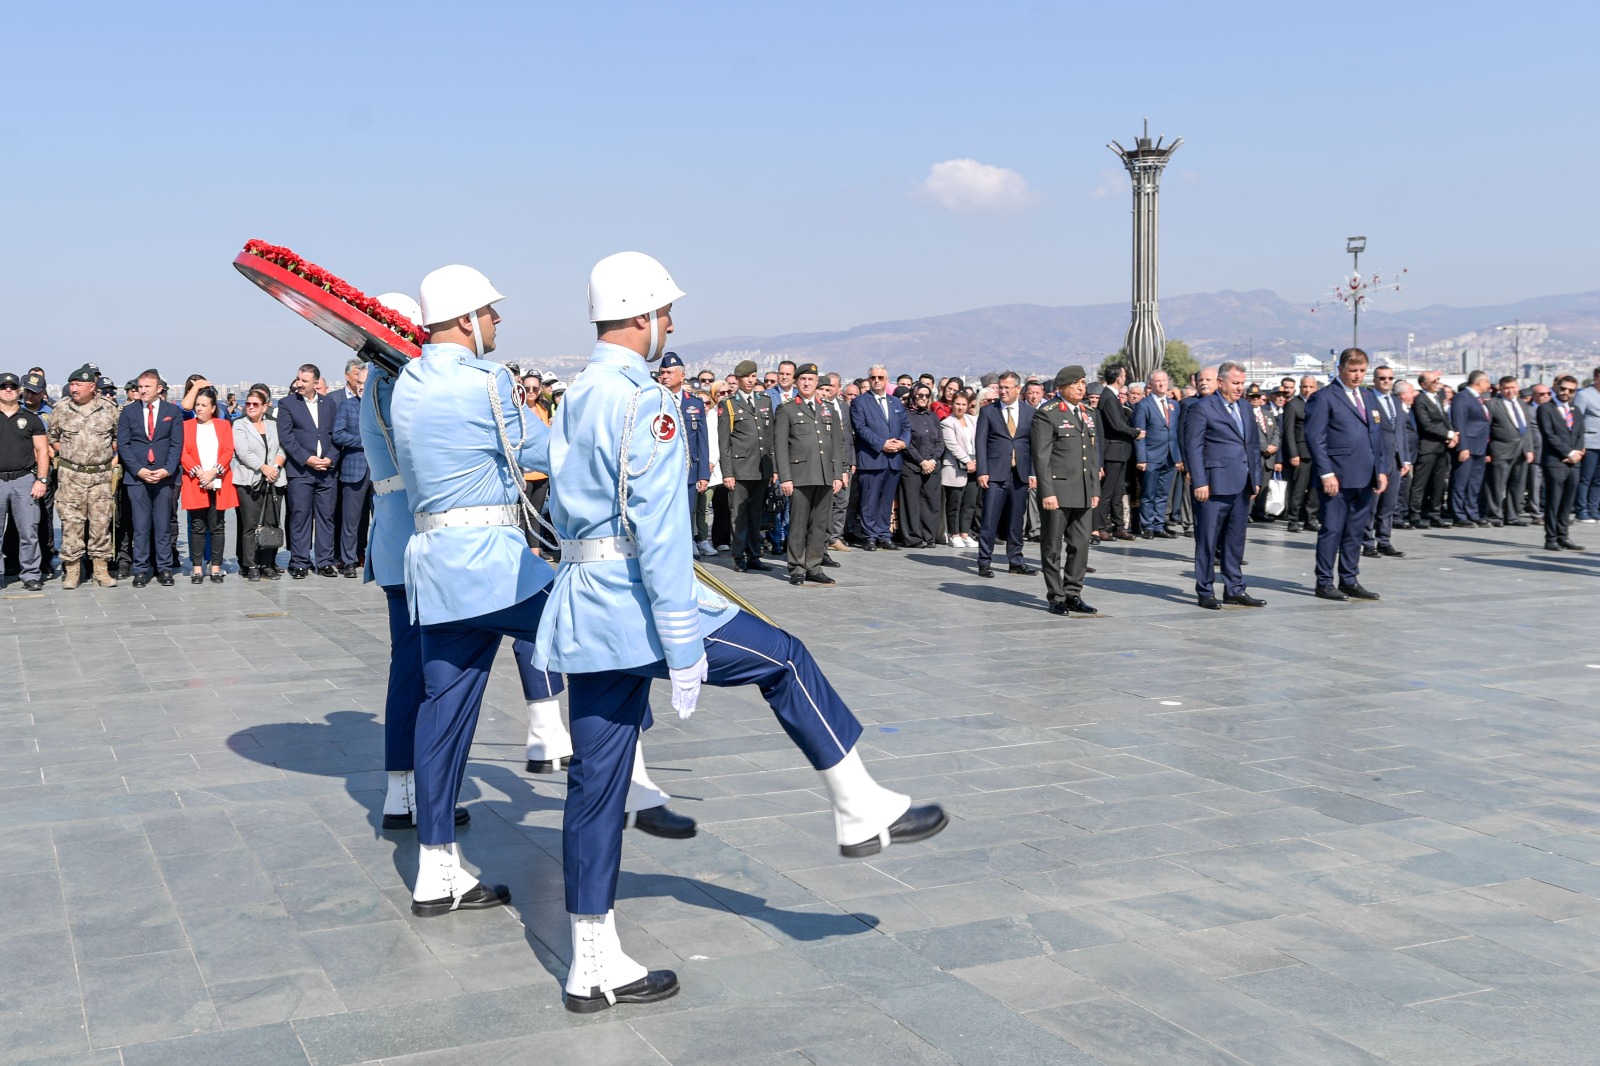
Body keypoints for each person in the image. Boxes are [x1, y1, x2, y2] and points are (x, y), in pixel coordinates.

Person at [537, 252, 945, 1013]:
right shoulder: (644, 403)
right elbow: (660, 533)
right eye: (666, 314)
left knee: (596, 786)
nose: (671, 326)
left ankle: (590, 960)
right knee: (784, 658)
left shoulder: (573, 395)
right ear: (642, 316)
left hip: (588, 601)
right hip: (640, 603)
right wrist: (684, 643)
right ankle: (858, 805)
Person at [1304, 348, 1390, 601]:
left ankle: (1349, 578)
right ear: (1341, 369)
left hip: (1365, 474)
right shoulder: (1324, 397)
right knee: (1332, 529)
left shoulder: (1368, 397)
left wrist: (1381, 470)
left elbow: (1378, 436)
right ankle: (1324, 581)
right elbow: (1315, 438)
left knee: (1355, 530)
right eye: (1353, 370)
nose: (1357, 375)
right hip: (1337, 477)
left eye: (1362, 371)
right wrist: (1326, 473)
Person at [1181, 362, 1263, 610]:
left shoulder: (1246, 408)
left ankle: (1235, 588)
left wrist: (1255, 479)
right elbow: (1193, 447)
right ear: (1221, 382)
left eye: (1242, 383)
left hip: (1242, 484)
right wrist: (1200, 480)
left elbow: (1253, 445)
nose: (1241, 388)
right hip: (1214, 485)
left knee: (1235, 540)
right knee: (1207, 539)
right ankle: (1205, 590)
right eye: (1236, 383)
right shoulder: (1203, 408)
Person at [1031, 366, 1099, 617]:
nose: (1082, 387)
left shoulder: (1087, 413)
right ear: (1061, 388)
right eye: (1076, 383)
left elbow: (1092, 456)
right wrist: (1047, 492)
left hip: (1082, 490)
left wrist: (1094, 488)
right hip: (1057, 491)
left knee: (1080, 546)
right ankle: (1056, 596)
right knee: (1052, 547)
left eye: (1083, 383)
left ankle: (1073, 593)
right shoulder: (1048, 414)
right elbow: (1041, 457)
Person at [48, 364, 120, 588]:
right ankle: (72, 570)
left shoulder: (108, 409)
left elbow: (117, 439)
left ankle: (101, 569)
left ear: (92, 386)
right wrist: (71, 453)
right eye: (71, 384)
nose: (74, 388)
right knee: (71, 524)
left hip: (100, 477)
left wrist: (106, 458)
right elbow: (52, 439)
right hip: (71, 477)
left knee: (101, 523)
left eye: (78, 384)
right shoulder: (61, 409)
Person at [774, 362, 846, 584]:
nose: (807, 383)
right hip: (800, 475)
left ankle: (814, 566)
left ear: (817, 383)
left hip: (824, 474)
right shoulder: (787, 409)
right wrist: (785, 477)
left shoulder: (827, 408)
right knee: (798, 524)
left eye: (811, 380)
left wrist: (838, 473)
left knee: (819, 524)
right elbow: (780, 446)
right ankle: (796, 568)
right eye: (803, 379)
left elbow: (836, 444)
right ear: (796, 382)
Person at [116, 369, 183, 587]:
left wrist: (167, 469)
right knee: (140, 525)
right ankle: (141, 569)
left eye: (147, 387)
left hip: (164, 476)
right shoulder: (128, 411)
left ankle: (164, 568)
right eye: (140, 386)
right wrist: (137, 470)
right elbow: (123, 445)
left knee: (163, 524)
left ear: (159, 388)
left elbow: (176, 444)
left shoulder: (172, 411)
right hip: (137, 478)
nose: (142, 390)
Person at [278, 364, 342, 577]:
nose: (299, 384)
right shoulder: (287, 404)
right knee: (300, 516)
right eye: (298, 379)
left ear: (316, 383)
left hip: (327, 471)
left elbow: (337, 436)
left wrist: (330, 459)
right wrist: (307, 459)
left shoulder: (329, 404)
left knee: (326, 517)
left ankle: (324, 561)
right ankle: (299, 562)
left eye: (304, 381)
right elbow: (287, 438)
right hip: (301, 472)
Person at [973, 371, 1036, 578]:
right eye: (1000, 387)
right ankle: (984, 560)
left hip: (1020, 474)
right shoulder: (989, 411)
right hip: (995, 473)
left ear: (1018, 389)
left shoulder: (1029, 413)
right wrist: (982, 470)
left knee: (1016, 520)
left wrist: (1033, 473)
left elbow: (1034, 445)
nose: (1003, 391)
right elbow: (980, 443)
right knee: (990, 519)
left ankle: (1016, 560)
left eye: (1007, 387)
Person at [717, 359, 776, 571]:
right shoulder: (729, 404)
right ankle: (739, 556)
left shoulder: (764, 401)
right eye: (746, 377)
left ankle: (754, 555)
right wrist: (727, 472)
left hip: (761, 468)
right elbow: (724, 442)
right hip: (740, 469)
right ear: (738, 379)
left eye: (753, 376)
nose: (750, 381)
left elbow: (769, 437)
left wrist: (774, 467)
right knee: (739, 515)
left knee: (756, 515)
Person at [179, 387, 237, 583]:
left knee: (217, 525)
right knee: (197, 525)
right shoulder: (187, 426)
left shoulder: (223, 426)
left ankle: (215, 567)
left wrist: (213, 472)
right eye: (197, 405)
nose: (200, 408)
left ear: (213, 408)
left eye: (204, 405)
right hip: (196, 480)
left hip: (218, 479)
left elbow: (228, 451)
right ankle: (197, 568)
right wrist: (200, 473)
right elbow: (184, 453)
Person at [849, 364, 909, 551]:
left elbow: (906, 426)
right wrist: (882, 443)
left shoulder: (896, 403)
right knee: (869, 500)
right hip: (872, 458)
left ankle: (884, 534)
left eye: (880, 377)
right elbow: (861, 429)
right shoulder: (860, 402)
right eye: (873, 377)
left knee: (886, 500)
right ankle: (869, 536)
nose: (876, 381)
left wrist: (902, 443)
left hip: (894, 460)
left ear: (886, 380)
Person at [658, 353, 713, 557]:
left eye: (670, 372)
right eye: (662, 373)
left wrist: (703, 474)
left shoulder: (695, 403)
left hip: (688, 468)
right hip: (662, 470)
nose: (665, 376)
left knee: (687, 511)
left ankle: (686, 544)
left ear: (682, 376)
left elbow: (701, 439)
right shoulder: (655, 400)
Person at [0, 372, 51, 590]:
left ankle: (30, 574)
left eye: (13, 386)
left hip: (24, 480)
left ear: (19, 390)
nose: (8, 389)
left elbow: (42, 451)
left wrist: (41, 479)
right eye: (4, 386)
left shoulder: (31, 418)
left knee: (28, 531)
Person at [232, 386, 287, 580]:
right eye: (248, 404)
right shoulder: (239, 424)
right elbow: (243, 452)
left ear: (265, 407)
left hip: (274, 479)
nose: (251, 407)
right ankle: (251, 563)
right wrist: (264, 468)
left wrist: (275, 468)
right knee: (251, 524)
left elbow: (282, 448)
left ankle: (268, 563)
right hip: (249, 480)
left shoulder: (274, 425)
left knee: (271, 523)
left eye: (256, 404)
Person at [1362, 366, 1413, 558]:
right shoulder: (1368, 400)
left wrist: (1405, 458)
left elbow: (1401, 432)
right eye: (1382, 378)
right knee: (1371, 504)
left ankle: (1384, 540)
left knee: (1389, 505)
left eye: (1390, 378)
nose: (1386, 381)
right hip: (1376, 460)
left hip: (1395, 460)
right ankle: (1367, 542)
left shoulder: (1395, 401)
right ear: (1375, 380)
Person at [330, 365, 372, 578]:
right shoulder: (347, 406)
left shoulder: (379, 406)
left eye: (365, 383)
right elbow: (338, 435)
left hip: (379, 473)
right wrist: (365, 442)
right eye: (359, 383)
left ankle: (373, 558)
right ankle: (348, 561)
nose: (361, 387)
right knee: (350, 519)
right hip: (354, 469)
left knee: (380, 518)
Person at [1536, 375, 1586, 550]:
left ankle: (1563, 535)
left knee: (1568, 501)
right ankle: (1551, 538)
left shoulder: (1576, 410)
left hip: (1574, 463)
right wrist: (1568, 452)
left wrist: (1578, 452)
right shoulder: (1545, 409)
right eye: (1563, 388)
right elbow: (1549, 435)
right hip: (1555, 461)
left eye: (1571, 390)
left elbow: (1580, 433)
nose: (1566, 393)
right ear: (1556, 387)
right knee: (1553, 500)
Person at [1132, 370, 1180, 539]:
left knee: (1162, 494)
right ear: (1150, 385)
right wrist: (1141, 458)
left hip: (1170, 456)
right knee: (1148, 493)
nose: (1161, 384)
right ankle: (1147, 526)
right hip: (1151, 456)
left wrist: (1179, 457)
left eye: (1164, 380)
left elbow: (1176, 432)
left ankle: (1159, 525)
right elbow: (1139, 433)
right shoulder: (1143, 405)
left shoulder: (1174, 405)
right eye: (1157, 381)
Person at [1092, 364, 1136, 541]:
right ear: (1119, 378)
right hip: (1113, 452)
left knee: (1118, 491)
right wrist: (1135, 432)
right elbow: (1117, 424)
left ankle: (1119, 526)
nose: (1125, 378)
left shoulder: (1112, 396)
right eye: (1124, 375)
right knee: (1108, 492)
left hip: (1120, 452)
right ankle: (1101, 527)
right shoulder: (1109, 397)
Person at [896, 383, 943, 547]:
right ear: (913, 396)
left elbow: (940, 442)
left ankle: (928, 536)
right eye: (920, 395)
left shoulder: (933, 417)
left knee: (931, 502)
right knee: (912, 504)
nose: (923, 398)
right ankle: (913, 538)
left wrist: (933, 460)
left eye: (926, 395)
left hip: (932, 465)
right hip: (912, 466)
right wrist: (921, 461)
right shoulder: (906, 416)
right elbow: (906, 443)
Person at [1409, 371, 1458, 527]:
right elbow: (1427, 424)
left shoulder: (1437, 397)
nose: (1438, 383)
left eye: (1438, 380)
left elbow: (1445, 419)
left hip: (1440, 447)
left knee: (1438, 483)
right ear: (1424, 384)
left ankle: (1435, 514)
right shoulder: (1420, 401)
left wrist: (1452, 435)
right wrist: (1448, 433)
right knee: (1421, 483)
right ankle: (1415, 514)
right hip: (1427, 447)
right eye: (1434, 381)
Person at [1484, 376, 1534, 528]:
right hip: (1501, 450)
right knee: (1497, 485)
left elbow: (1527, 429)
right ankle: (1495, 515)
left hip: (1522, 451)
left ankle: (1512, 516)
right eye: (1506, 388)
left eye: (1513, 387)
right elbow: (1486, 430)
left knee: (1517, 485)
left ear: (1517, 387)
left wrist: (1529, 448)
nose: (1510, 391)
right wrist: (1487, 452)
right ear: (1500, 389)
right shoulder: (1492, 404)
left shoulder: (1522, 404)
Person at [1449, 370, 1493, 527]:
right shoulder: (1462, 398)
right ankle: (1458, 514)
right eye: (1487, 382)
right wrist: (1463, 447)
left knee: (1475, 483)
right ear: (1479, 382)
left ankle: (1472, 513)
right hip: (1468, 446)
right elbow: (1459, 422)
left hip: (1480, 446)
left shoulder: (1479, 399)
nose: (1489, 385)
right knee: (1461, 482)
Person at [1279, 376, 1320, 532]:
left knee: (1315, 489)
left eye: (1311, 387)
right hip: (1301, 454)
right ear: (1300, 388)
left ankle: (1311, 519)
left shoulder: (1318, 404)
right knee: (1298, 489)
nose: (1307, 390)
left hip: (1317, 452)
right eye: (1304, 386)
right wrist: (1293, 453)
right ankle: (1293, 520)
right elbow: (1288, 432)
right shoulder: (1293, 405)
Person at [939, 391, 979, 548]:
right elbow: (952, 445)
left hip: (974, 464)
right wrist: (968, 461)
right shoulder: (947, 422)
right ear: (952, 405)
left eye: (963, 404)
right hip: (956, 467)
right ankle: (953, 533)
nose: (960, 407)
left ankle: (965, 532)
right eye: (957, 404)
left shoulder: (973, 420)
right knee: (955, 503)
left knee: (969, 503)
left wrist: (976, 461)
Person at [1568, 366, 1600, 522]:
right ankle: (1582, 510)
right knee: (1585, 478)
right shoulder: (1585, 395)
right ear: (1596, 378)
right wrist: (1578, 443)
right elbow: (1577, 419)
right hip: (1590, 442)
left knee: (1598, 479)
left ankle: (1593, 508)